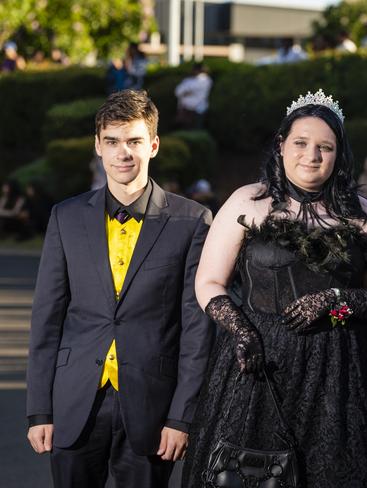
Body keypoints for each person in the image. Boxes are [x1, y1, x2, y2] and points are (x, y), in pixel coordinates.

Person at [182, 89, 367, 487]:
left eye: (325, 147)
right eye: (301, 143)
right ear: (281, 145)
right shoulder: (246, 202)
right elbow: (209, 282)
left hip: (343, 372)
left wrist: (337, 303)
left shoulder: (360, 213)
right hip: (258, 365)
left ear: (339, 154)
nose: (312, 155)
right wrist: (240, 331)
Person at [26, 89, 214, 488]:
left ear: (154, 145)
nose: (123, 152)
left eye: (134, 141)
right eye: (112, 141)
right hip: (75, 402)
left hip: (152, 408)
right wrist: (40, 410)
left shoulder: (193, 221)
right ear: (98, 146)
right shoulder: (66, 217)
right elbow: (47, 319)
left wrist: (182, 417)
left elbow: (197, 330)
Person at [174, 62, 213, 129]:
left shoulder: (205, 80)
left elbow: (181, 91)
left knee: (194, 129)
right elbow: (178, 92)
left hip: (198, 109)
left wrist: (187, 92)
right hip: (186, 109)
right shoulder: (189, 80)